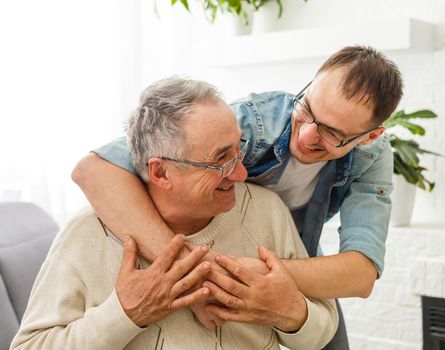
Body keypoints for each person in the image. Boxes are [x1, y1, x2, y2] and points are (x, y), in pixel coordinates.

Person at [72, 45, 403, 349]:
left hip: (288, 258)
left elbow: (361, 275)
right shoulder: (255, 119)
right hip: (214, 250)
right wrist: (194, 276)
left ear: (370, 136)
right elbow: (93, 169)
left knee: (329, 338)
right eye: (307, 109)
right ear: (310, 85)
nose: (306, 136)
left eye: (333, 134)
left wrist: (261, 277)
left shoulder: (371, 158)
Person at [11, 77, 338, 350]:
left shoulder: (266, 211)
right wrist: (125, 313)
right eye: (221, 161)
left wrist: (289, 312)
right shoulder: (87, 235)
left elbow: (324, 330)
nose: (240, 175)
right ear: (161, 173)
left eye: (238, 151)